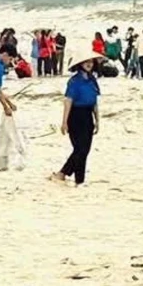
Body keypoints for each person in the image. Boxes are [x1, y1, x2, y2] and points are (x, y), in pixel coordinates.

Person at [53, 48, 101, 185]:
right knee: (80, 149)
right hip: (75, 115)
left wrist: (97, 120)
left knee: (85, 150)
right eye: (86, 62)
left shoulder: (92, 80)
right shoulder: (74, 81)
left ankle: (79, 180)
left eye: (91, 61)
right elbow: (68, 101)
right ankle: (63, 173)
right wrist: (64, 122)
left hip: (88, 115)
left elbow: (94, 102)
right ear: (80, 64)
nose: (89, 64)